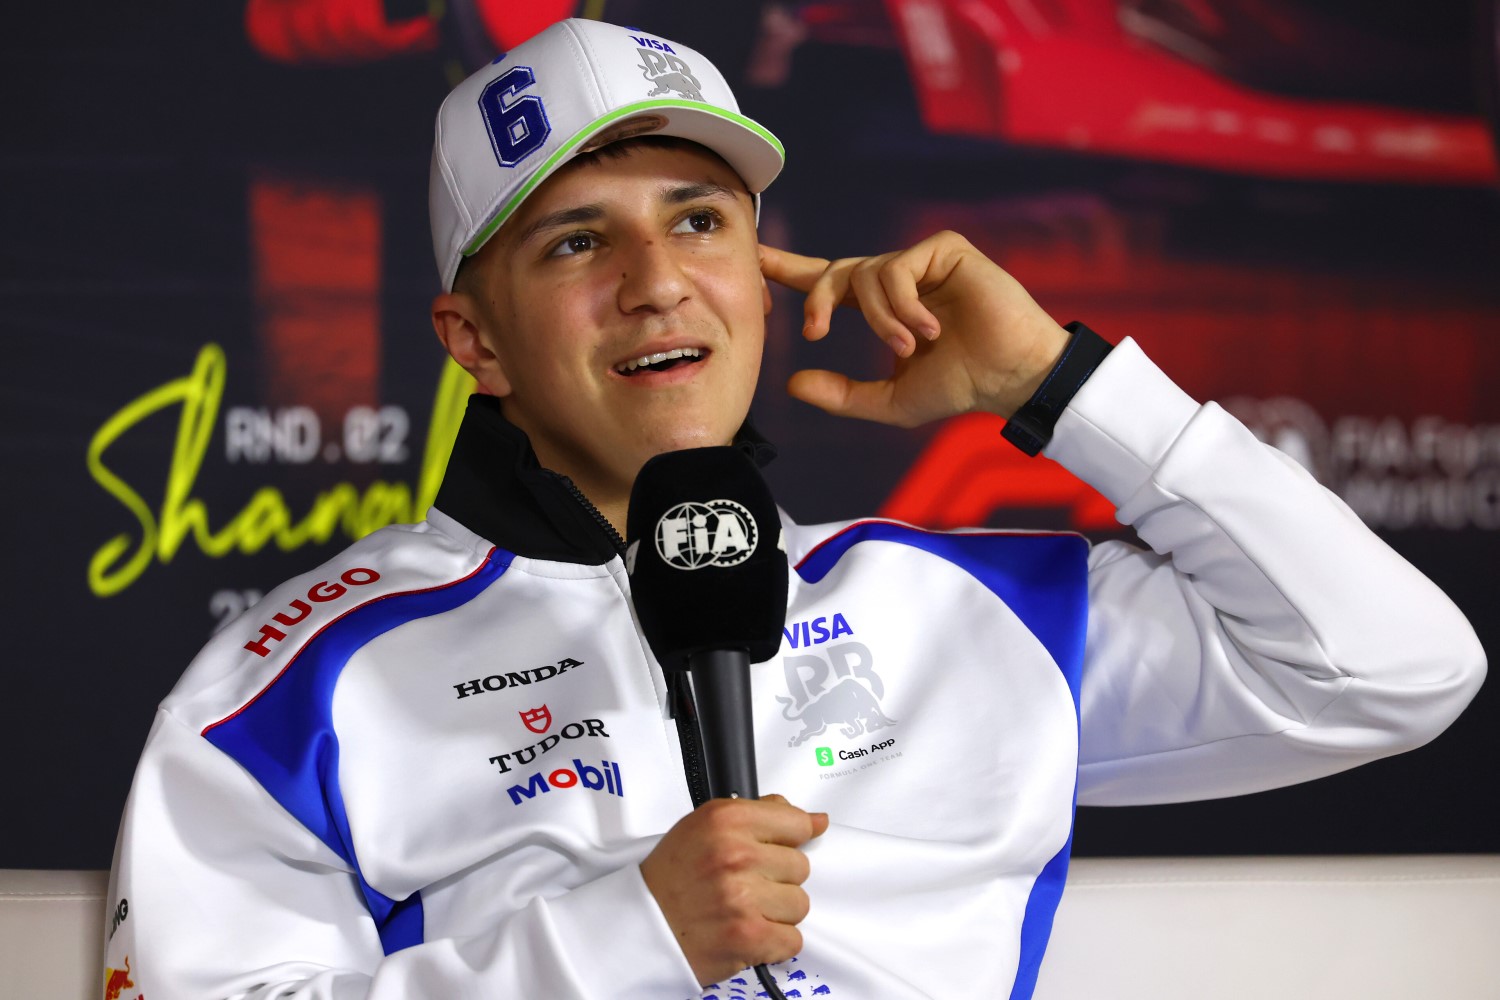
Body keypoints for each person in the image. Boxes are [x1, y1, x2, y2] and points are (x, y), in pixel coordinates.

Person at [105, 17, 1485, 1000]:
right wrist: (620, 944)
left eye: (699, 218)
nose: (658, 280)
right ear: (473, 341)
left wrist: (1059, 382)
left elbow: (1392, 669)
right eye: (578, 240)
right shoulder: (291, 686)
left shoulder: (950, 607)